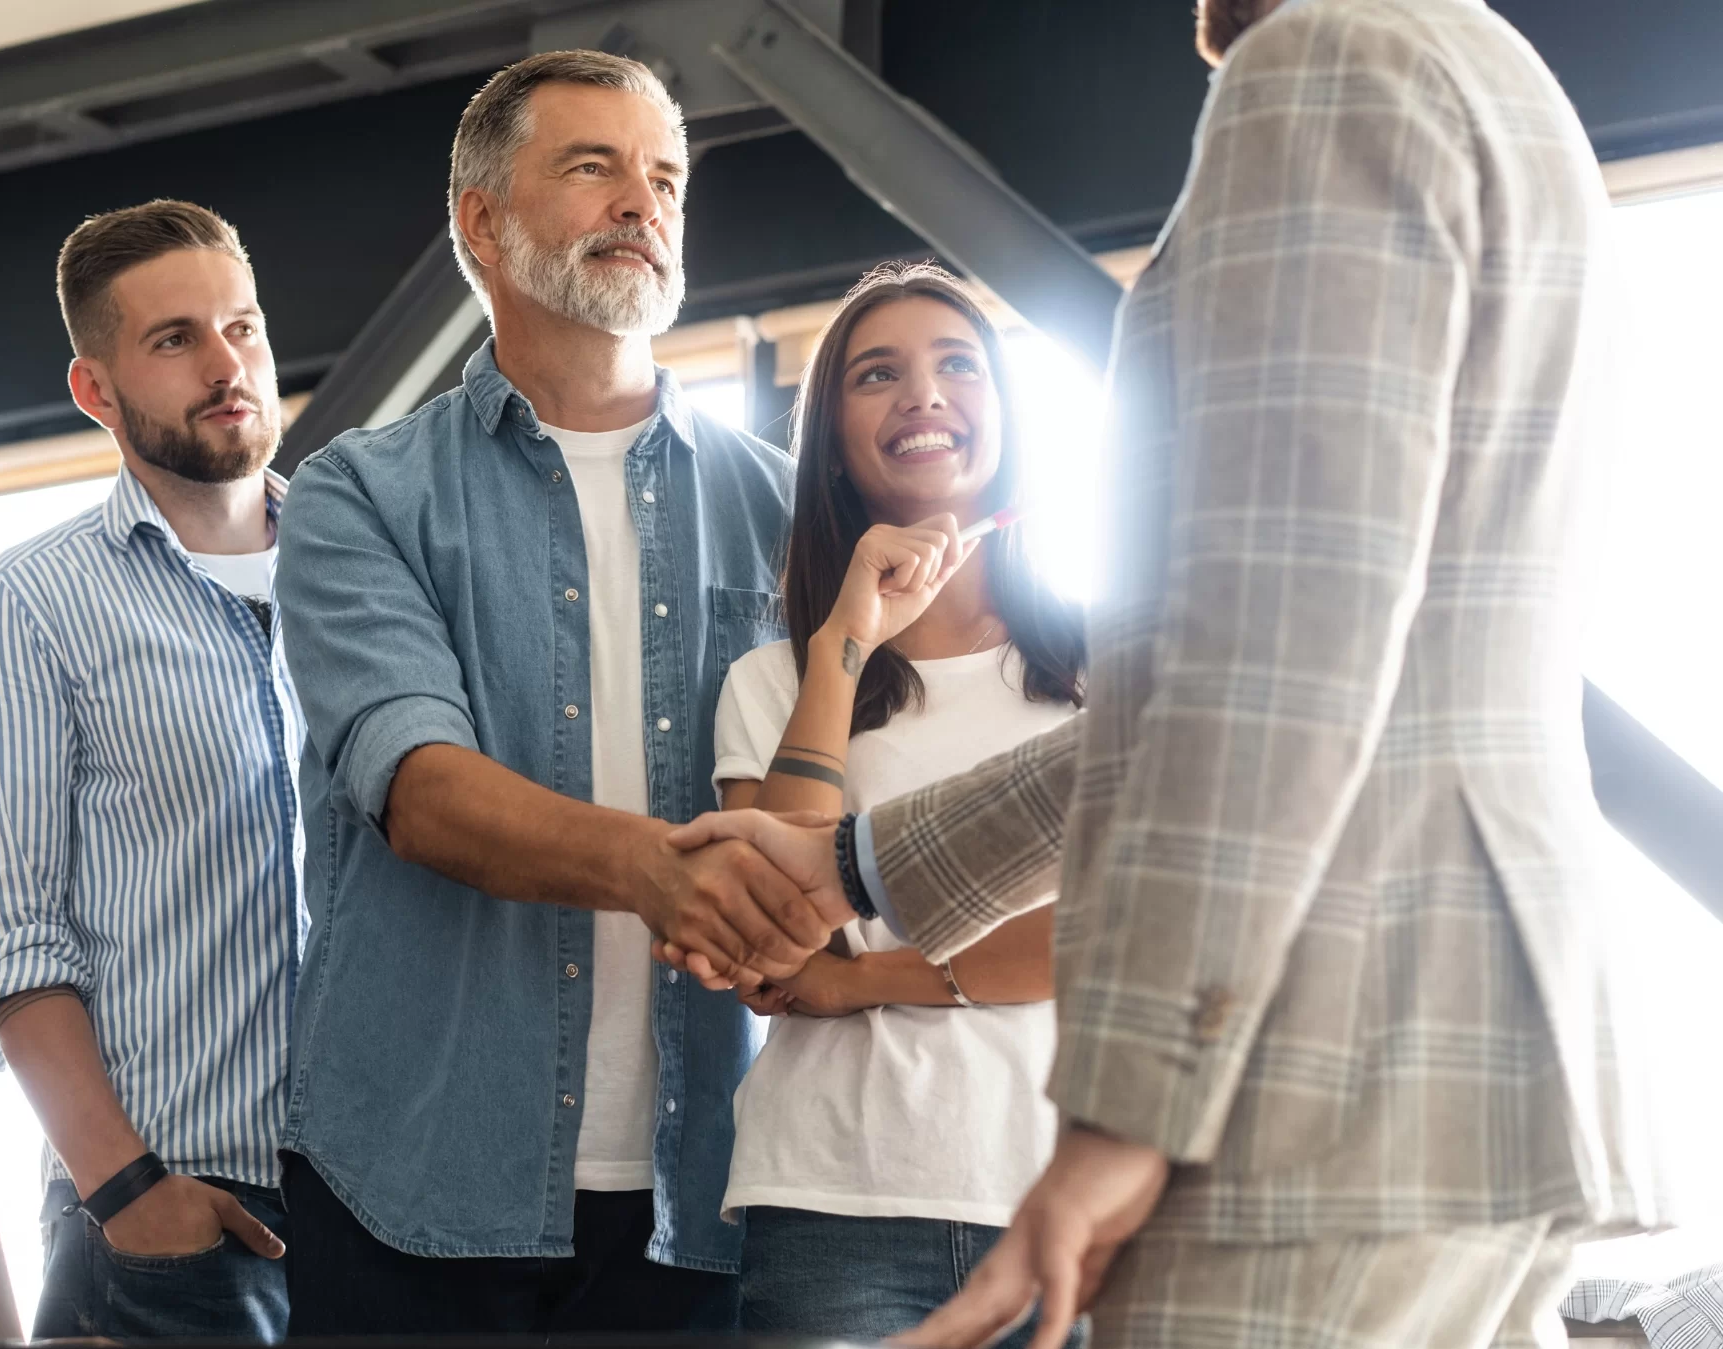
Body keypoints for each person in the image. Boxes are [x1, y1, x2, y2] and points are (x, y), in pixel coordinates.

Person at [667, 0, 1665, 1345]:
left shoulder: (1322, 68)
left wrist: (1129, 1107)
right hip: (1458, 1053)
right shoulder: (1492, 76)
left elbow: (1278, 651)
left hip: (1317, 1081)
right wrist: (850, 869)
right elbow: (1248, 687)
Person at [274, 49, 820, 1337]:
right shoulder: (359, 494)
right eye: (594, 167)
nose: (643, 203)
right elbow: (421, 793)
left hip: (707, 1194)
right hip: (408, 1176)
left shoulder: (785, 509)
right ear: (479, 219)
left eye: (666, 177)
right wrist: (661, 870)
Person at [695, 262, 1086, 1344]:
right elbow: (773, 944)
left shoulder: (1110, 669)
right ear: (832, 440)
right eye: (878, 374)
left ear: (1003, 415)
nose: (922, 393)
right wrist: (840, 648)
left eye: (957, 364)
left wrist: (866, 977)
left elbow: (1116, 940)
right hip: (830, 1204)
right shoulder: (768, 682)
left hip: (1057, 1199)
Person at [0, 199, 302, 1342]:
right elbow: (12, 936)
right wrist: (128, 1191)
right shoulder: (24, 605)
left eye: (239, 327)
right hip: (170, 1217)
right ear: (94, 389)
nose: (224, 363)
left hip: (396, 1210)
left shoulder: (368, 584)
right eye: (174, 339)